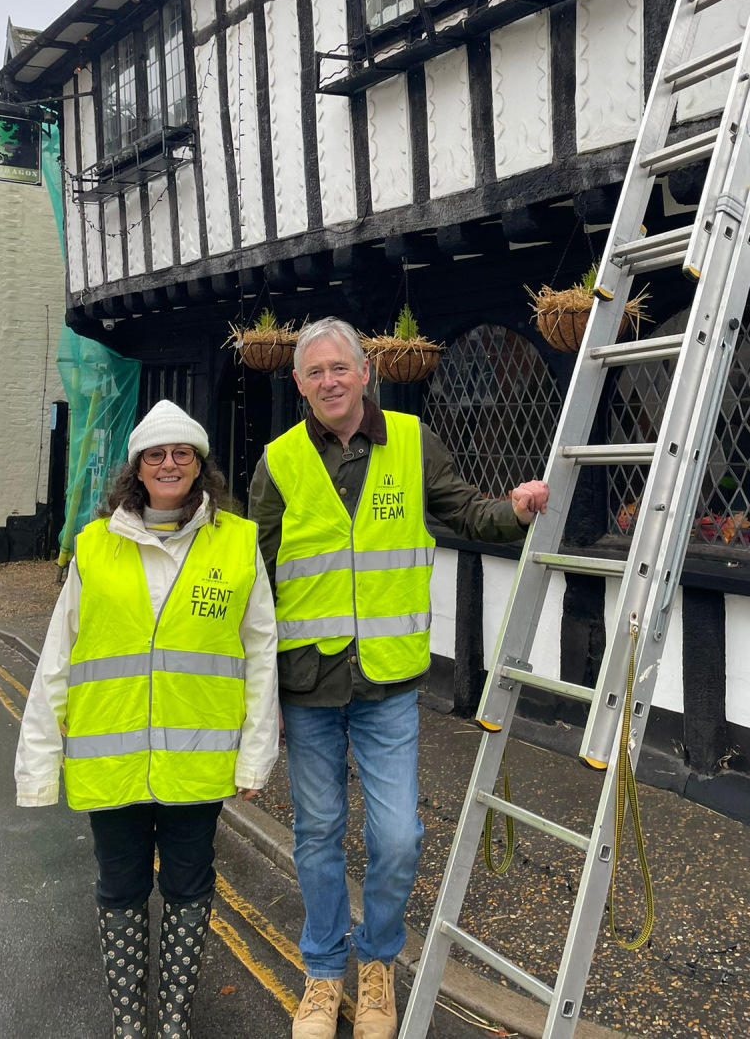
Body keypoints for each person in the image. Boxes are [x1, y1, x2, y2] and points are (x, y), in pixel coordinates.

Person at [249, 317, 549, 1039]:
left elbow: (465, 511)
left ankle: (377, 961)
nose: (328, 382)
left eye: (339, 369)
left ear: (365, 373)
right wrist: (255, 693)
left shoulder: (413, 444)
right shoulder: (278, 462)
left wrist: (513, 511)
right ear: (299, 384)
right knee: (318, 833)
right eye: (314, 372)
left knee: (398, 838)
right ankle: (324, 974)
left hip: (387, 684)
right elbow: (253, 585)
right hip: (307, 685)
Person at [15, 399, 279, 1039]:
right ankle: (130, 1025)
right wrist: (38, 764)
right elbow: (57, 659)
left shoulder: (238, 544)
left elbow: (260, 652)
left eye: (181, 453)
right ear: (136, 468)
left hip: (196, 762)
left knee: (190, 889)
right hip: (112, 763)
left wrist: (255, 755)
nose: (168, 464)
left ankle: (176, 1022)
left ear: (199, 465)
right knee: (120, 889)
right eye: (155, 455)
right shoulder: (94, 547)